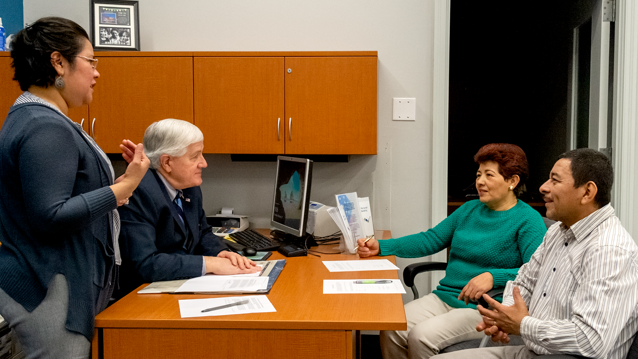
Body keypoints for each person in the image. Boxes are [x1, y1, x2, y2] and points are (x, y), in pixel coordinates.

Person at [0, 17, 149, 358]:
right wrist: (125, 186)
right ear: (58, 62)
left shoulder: (35, 117)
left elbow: (60, 198)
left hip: (50, 280)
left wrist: (108, 190)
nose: (96, 72)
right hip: (49, 286)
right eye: (91, 61)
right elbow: (51, 216)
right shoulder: (44, 126)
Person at [433, 148, 638, 359]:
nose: (543, 188)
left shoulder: (609, 251)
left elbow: (591, 341)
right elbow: (525, 282)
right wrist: (505, 315)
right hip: (534, 350)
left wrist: (522, 325)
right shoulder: (559, 232)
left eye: (555, 181)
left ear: (587, 192)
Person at [357, 143, 547, 359]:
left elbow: (538, 271)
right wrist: (381, 246)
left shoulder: (528, 220)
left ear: (512, 181)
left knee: (421, 336)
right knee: (393, 326)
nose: (480, 182)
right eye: (478, 175)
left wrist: (494, 277)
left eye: (489, 175)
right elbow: (432, 239)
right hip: (445, 297)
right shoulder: (469, 209)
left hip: (483, 308)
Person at [116, 119, 259, 297]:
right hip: (142, 297)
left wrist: (220, 253)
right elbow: (144, 264)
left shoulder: (189, 187)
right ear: (167, 162)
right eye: (195, 156)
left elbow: (203, 232)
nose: (204, 163)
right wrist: (210, 264)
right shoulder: (137, 192)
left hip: (181, 286)